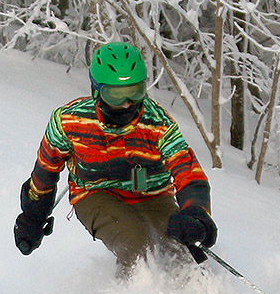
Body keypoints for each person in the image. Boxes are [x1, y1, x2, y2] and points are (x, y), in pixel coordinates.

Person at [14, 41, 217, 275]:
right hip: (96, 193)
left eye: (135, 92)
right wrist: (33, 216)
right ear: (96, 90)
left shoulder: (158, 123)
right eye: (116, 95)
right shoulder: (70, 121)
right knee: (137, 245)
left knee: (183, 253)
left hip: (152, 195)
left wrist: (196, 214)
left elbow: (188, 172)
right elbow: (45, 170)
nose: (127, 103)